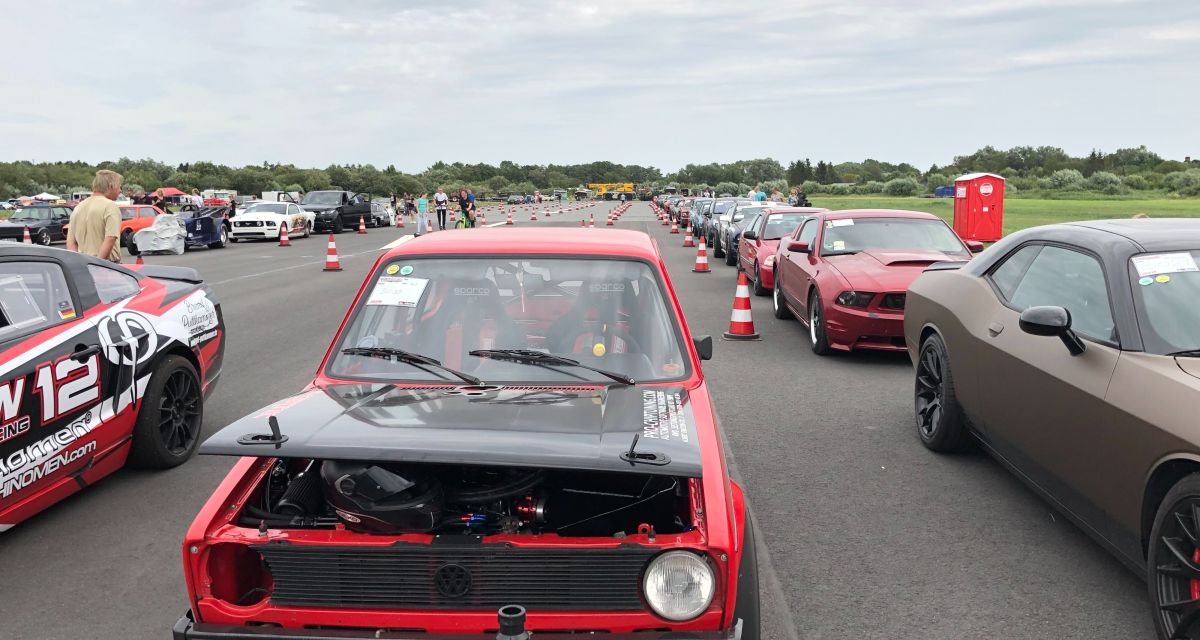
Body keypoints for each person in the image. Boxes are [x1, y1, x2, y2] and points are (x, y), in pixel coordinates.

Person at [67, 170, 123, 263]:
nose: (120, 190)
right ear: (111, 186)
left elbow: (71, 242)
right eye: (119, 186)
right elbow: (110, 238)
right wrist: (97, 264)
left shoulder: (78, 207)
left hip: (83, 264)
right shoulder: (110, 206)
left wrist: (77, 263)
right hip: (107, 265)